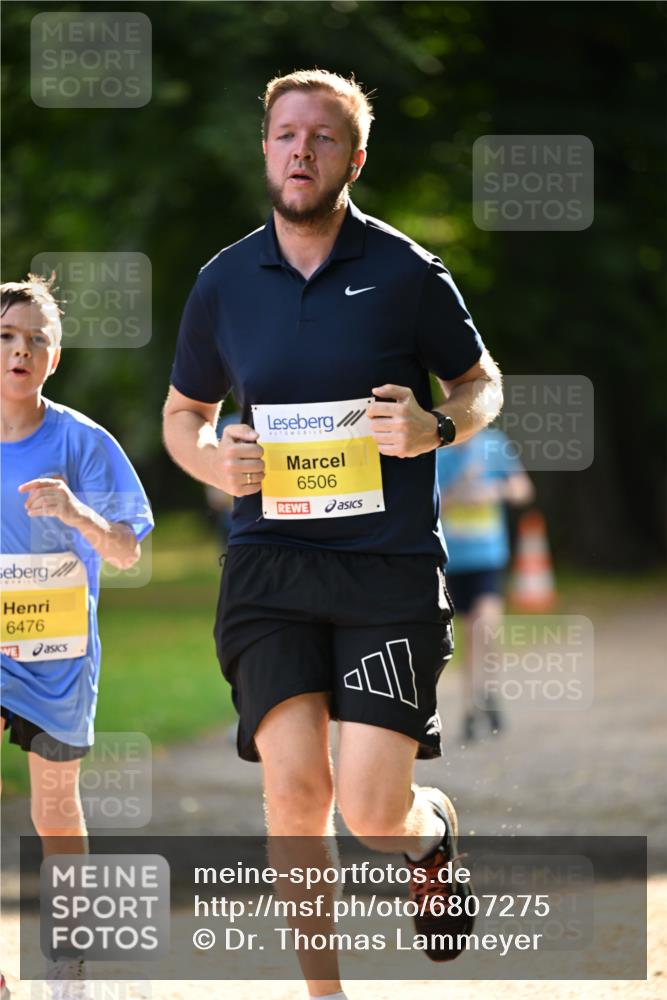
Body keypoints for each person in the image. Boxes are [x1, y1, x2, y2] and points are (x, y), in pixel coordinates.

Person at [163, 69, 503, 999]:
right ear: (264, 148)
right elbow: (183, 412)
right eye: (283, 134)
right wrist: (210, 460)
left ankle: (428, 836)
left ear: (353, 157)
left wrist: (437, 425)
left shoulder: (405, 271)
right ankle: (324, 992)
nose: (299, 150)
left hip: (385, 570)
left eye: (320, 136)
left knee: (369, 812)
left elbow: (481, 383)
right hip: (270, 565)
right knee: (293, 794)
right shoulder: (224, 282)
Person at [0, 275, 154, 998]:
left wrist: (76, 514)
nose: (20, 350)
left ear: (53, 360)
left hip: (58, 652)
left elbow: (127, 551)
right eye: (6, 336)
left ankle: (68, 963)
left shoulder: (84, 442)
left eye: (37, 340)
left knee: (54, 806)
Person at [437, 426, 535, 741]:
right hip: (454, 560)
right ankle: (471, 707)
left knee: (487, 626)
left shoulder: (494, 444)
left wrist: (496, 491)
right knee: (468, 634)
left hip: (488, 557)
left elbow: (523, 490)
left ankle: (489, 690)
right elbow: (431, 507)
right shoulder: (437, 452)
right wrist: (459, 488)